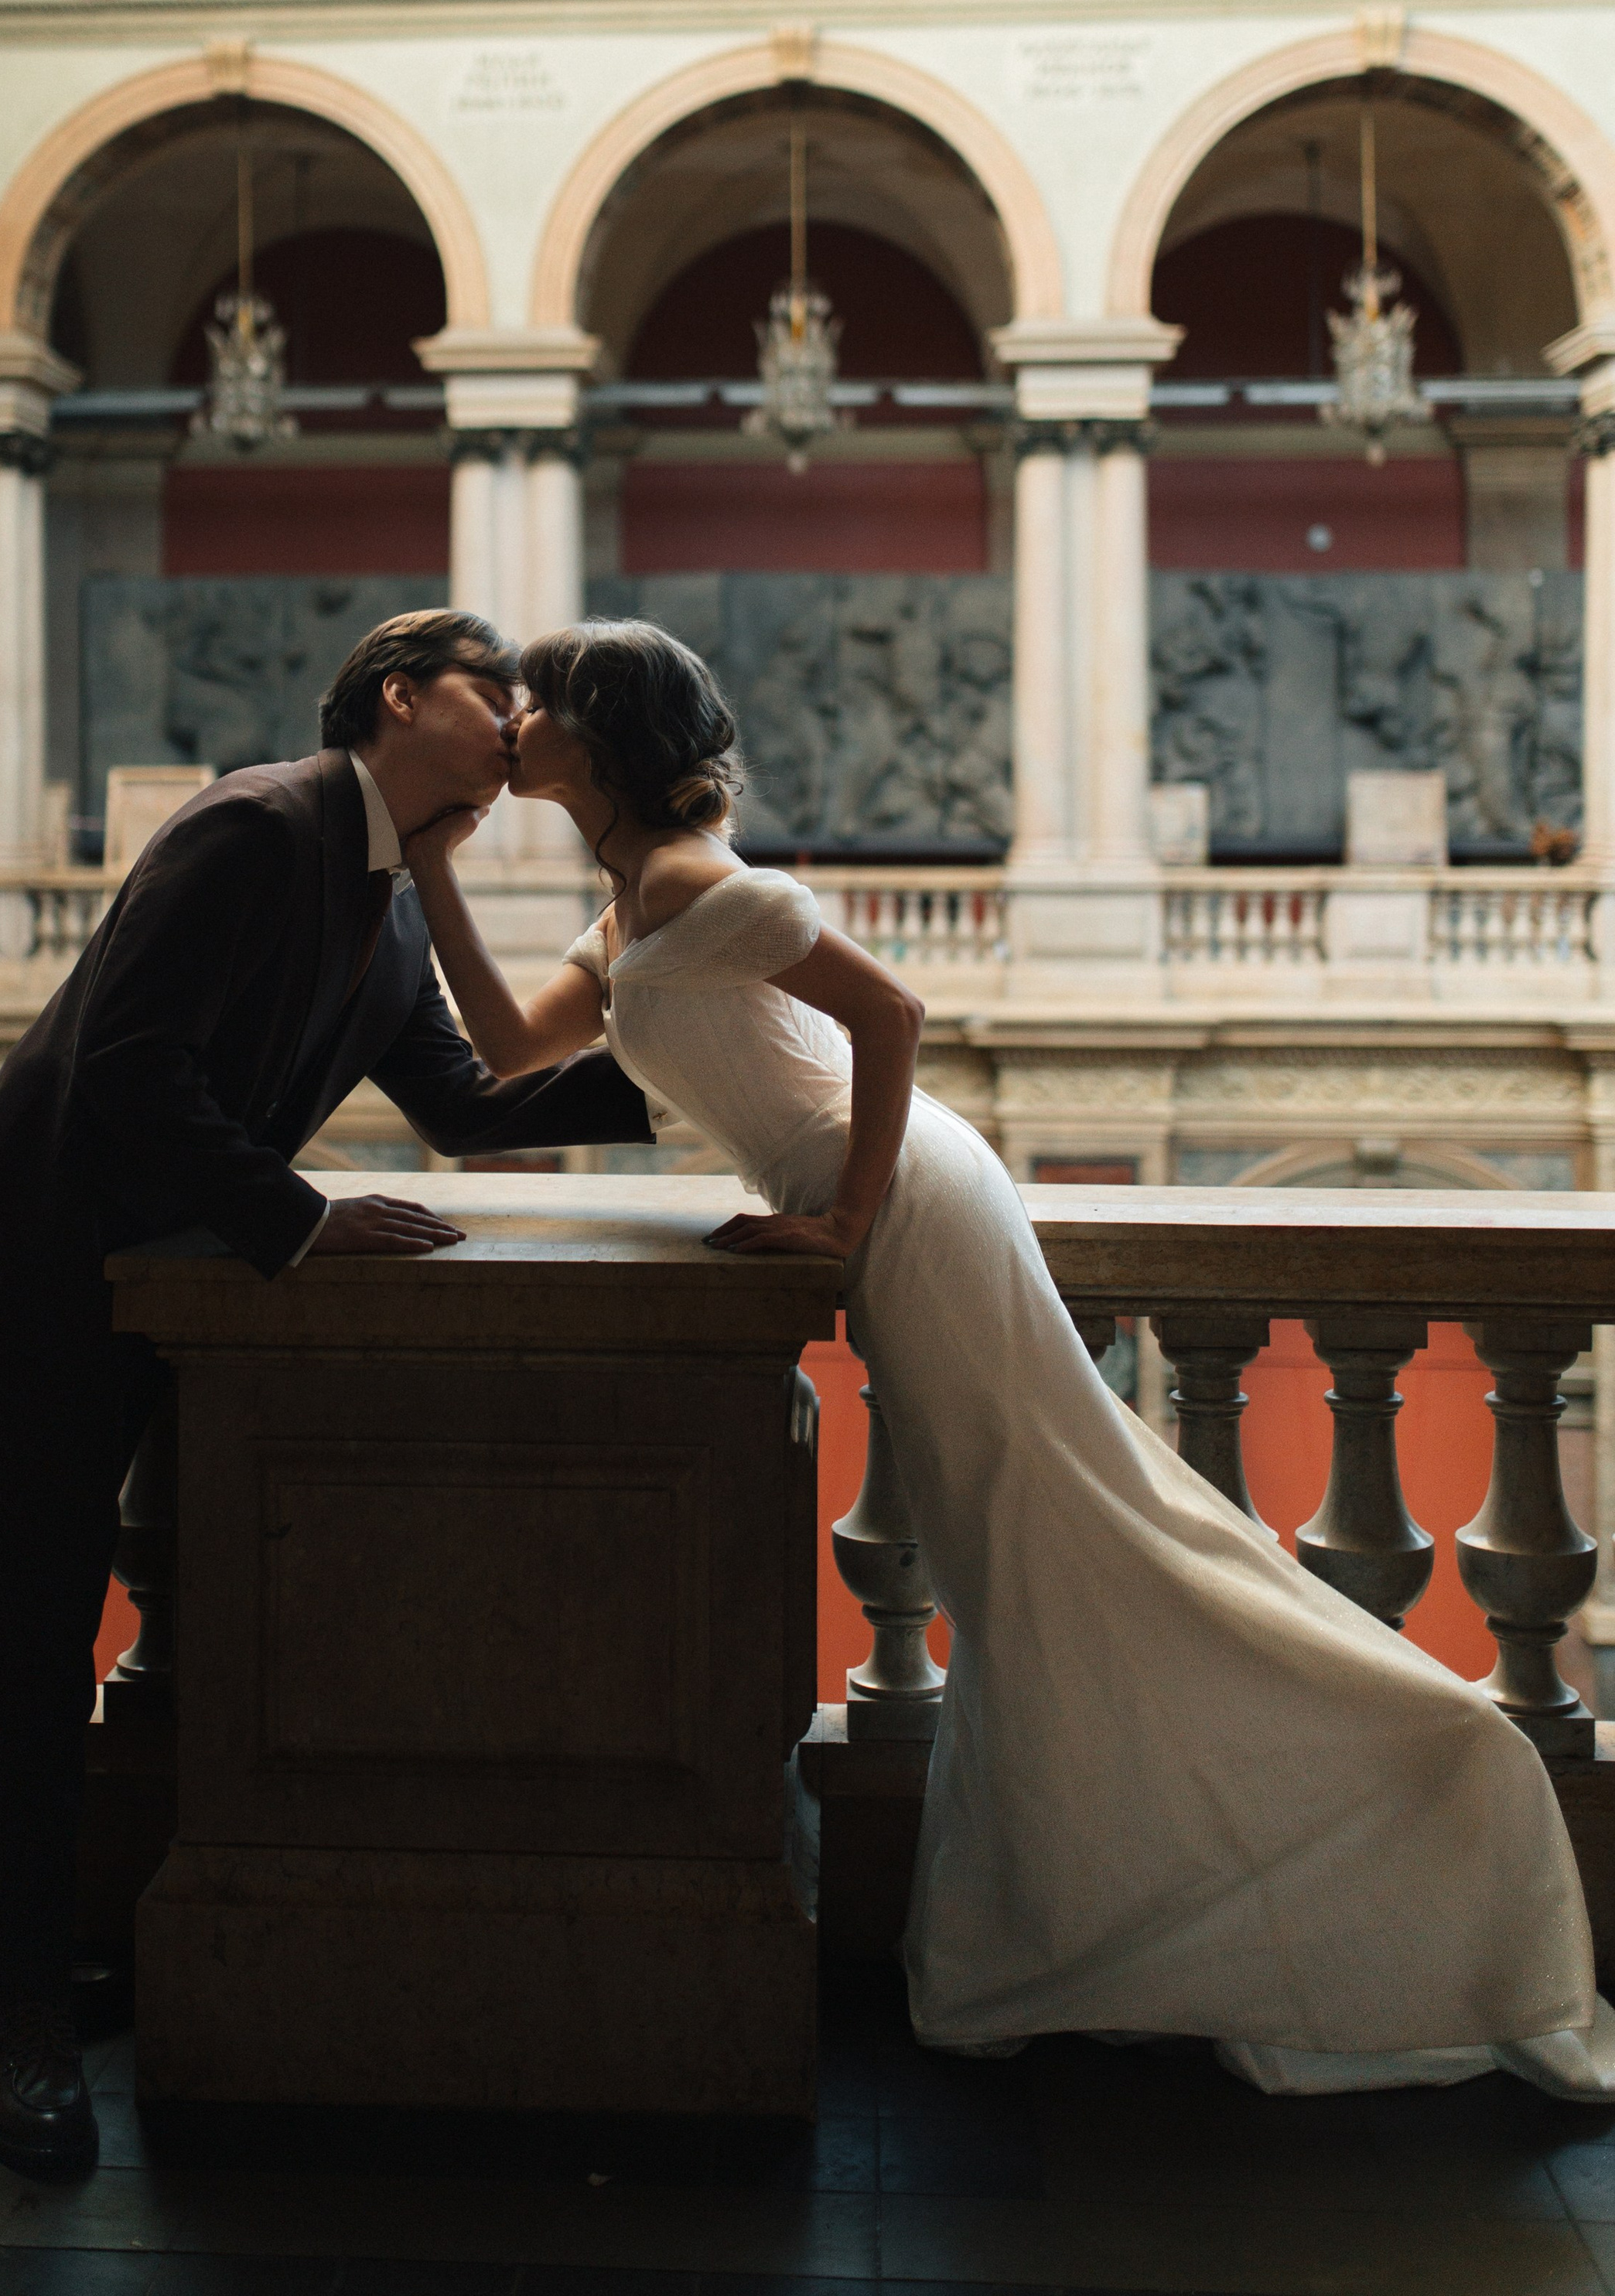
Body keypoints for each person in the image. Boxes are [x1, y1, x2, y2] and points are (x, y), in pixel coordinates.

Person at [406, 616, 1615, 2103]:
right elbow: (506, 1047)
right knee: (1026, 1556)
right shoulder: (630, 903)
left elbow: (892, 1014)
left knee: (1065, 1537)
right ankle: (1085, 1924)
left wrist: (842, 1215)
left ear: (602, 736)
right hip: (883, 1202)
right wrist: (434, 859)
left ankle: (1428, 1769)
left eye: (540, 704)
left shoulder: (697, 882)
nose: (513, 723)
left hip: (913, 1204)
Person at [0, 609, 654, 2178]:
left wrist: (710, 1066)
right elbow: (129, 1068)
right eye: (487, 689)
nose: (515, 720)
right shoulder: (255, 821)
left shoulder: (387, 897)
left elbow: (459, 1102)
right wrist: (297, 1218)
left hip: (111, 1256)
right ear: (393, 694)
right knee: (29, 1627)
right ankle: (24, 2019)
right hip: (29, 1248)